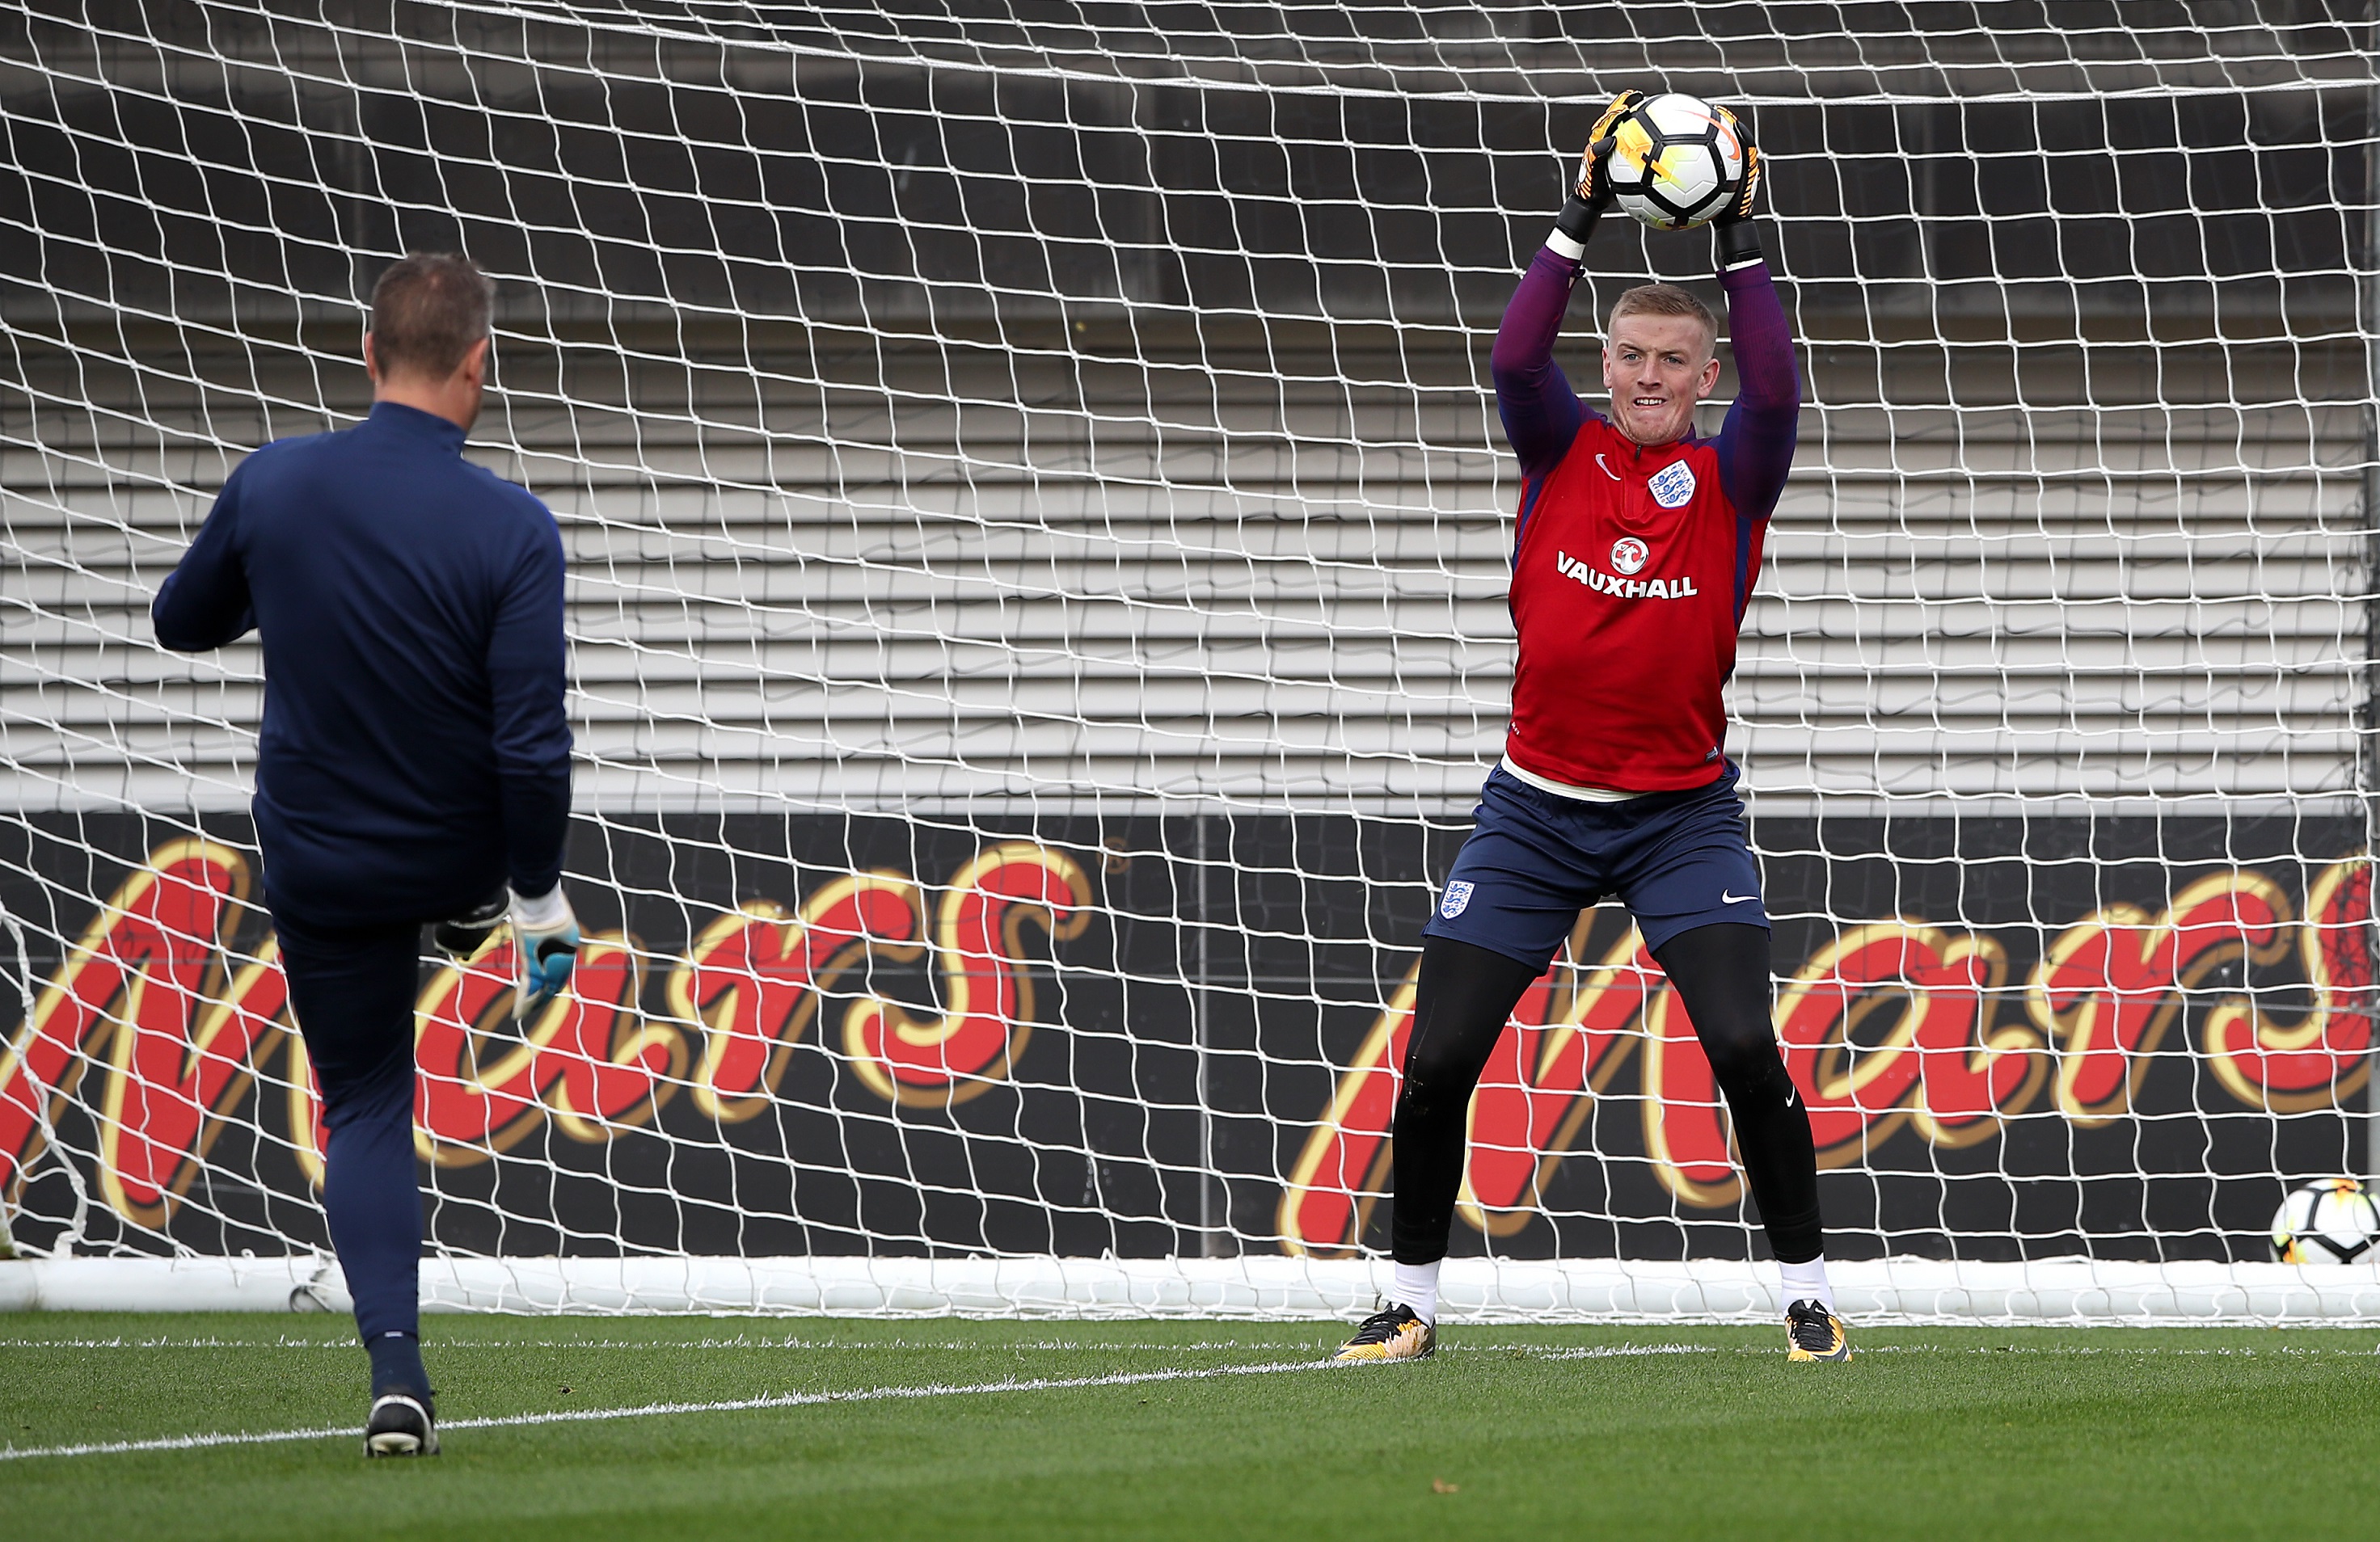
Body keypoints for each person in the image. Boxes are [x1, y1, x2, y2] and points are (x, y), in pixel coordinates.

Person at [1333, 94, 1849, 1364]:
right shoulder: (1557, 445)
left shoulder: (1736, 475)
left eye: (1676, 362)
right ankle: (1413, 1304)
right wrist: (1578, 214)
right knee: (1442, 1051)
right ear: (1606, 365)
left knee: (1740, 1038)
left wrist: (1742, 229)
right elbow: (1512, 360)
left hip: (1681, 816)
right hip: (1533, 814)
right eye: (1631, 357)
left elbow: (1784, 382)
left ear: (1705, 377)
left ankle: (1808, 1293)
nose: (1651, 379)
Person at [152, 253, 584, 1453]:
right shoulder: (514, 527)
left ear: (365, 357)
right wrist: (537, 897)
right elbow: (533, 749)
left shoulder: (275, 484)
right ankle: (470, 917)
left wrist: (285, 581)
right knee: (478, 887)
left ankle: (398, 1371)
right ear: (477, 364)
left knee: (367, 1100)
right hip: (453, 854)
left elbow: (179, 622)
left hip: (323, 860)